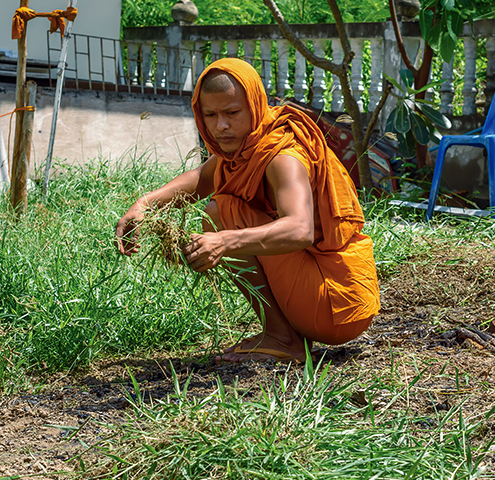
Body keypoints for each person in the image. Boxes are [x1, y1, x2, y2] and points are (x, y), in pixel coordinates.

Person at [115, 58, 379, 363]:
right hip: (327, 294)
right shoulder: (245, 146)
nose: (220, 126)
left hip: (337, 303)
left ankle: (282, 338)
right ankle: (284, 334)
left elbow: (300, 229)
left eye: (232, 113)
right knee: (221, 210)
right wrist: (143, 206)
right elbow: (202, 178)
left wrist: (224, 241)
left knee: (221, 212)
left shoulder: (281, 156)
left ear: (254, 105)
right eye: (210, 115)